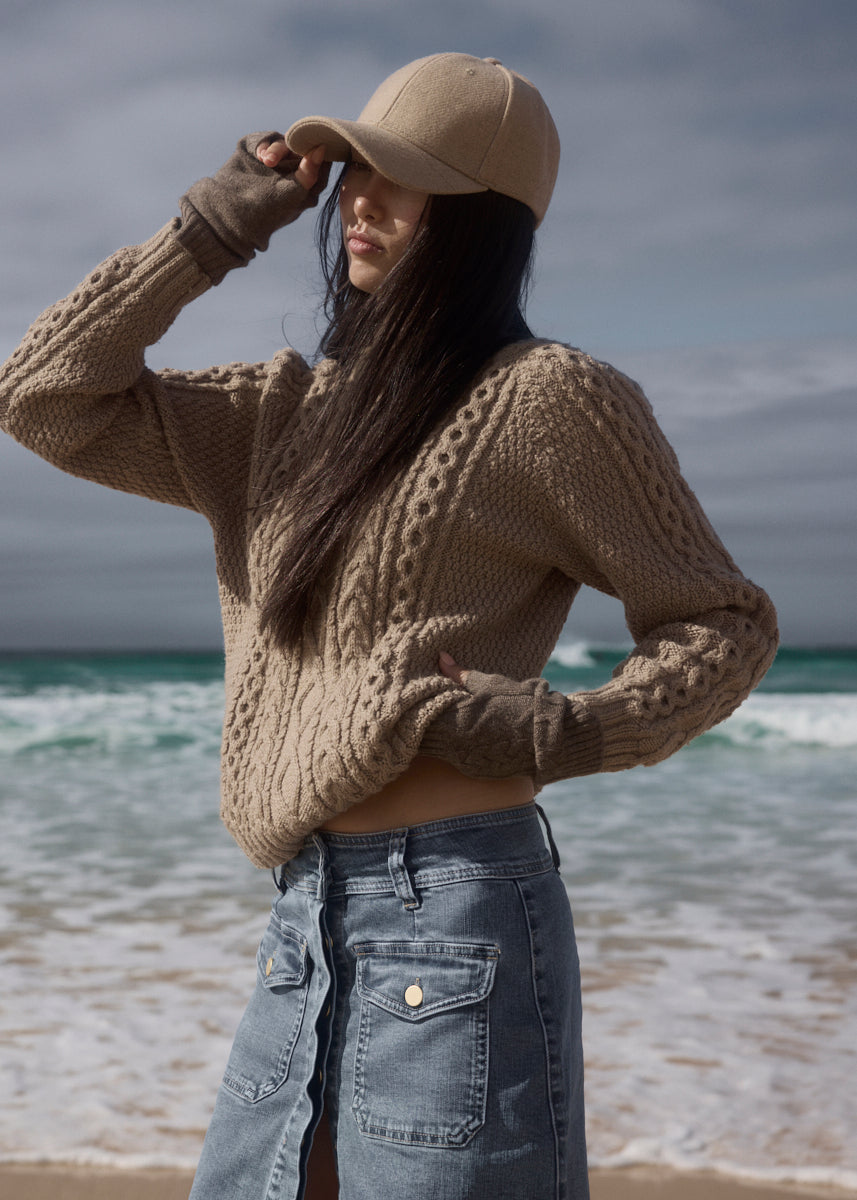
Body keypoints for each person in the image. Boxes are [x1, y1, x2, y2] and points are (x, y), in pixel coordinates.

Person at [0, 52, 777, 1200]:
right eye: (357, 170)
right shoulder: (279, 412)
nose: (361, 200)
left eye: (405, 181)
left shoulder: (549, 399)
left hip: (459, 906)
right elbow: (43, 395)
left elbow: (722, 620)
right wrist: (211, 230)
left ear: (480, 220)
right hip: (306, 915)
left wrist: (571, 729)